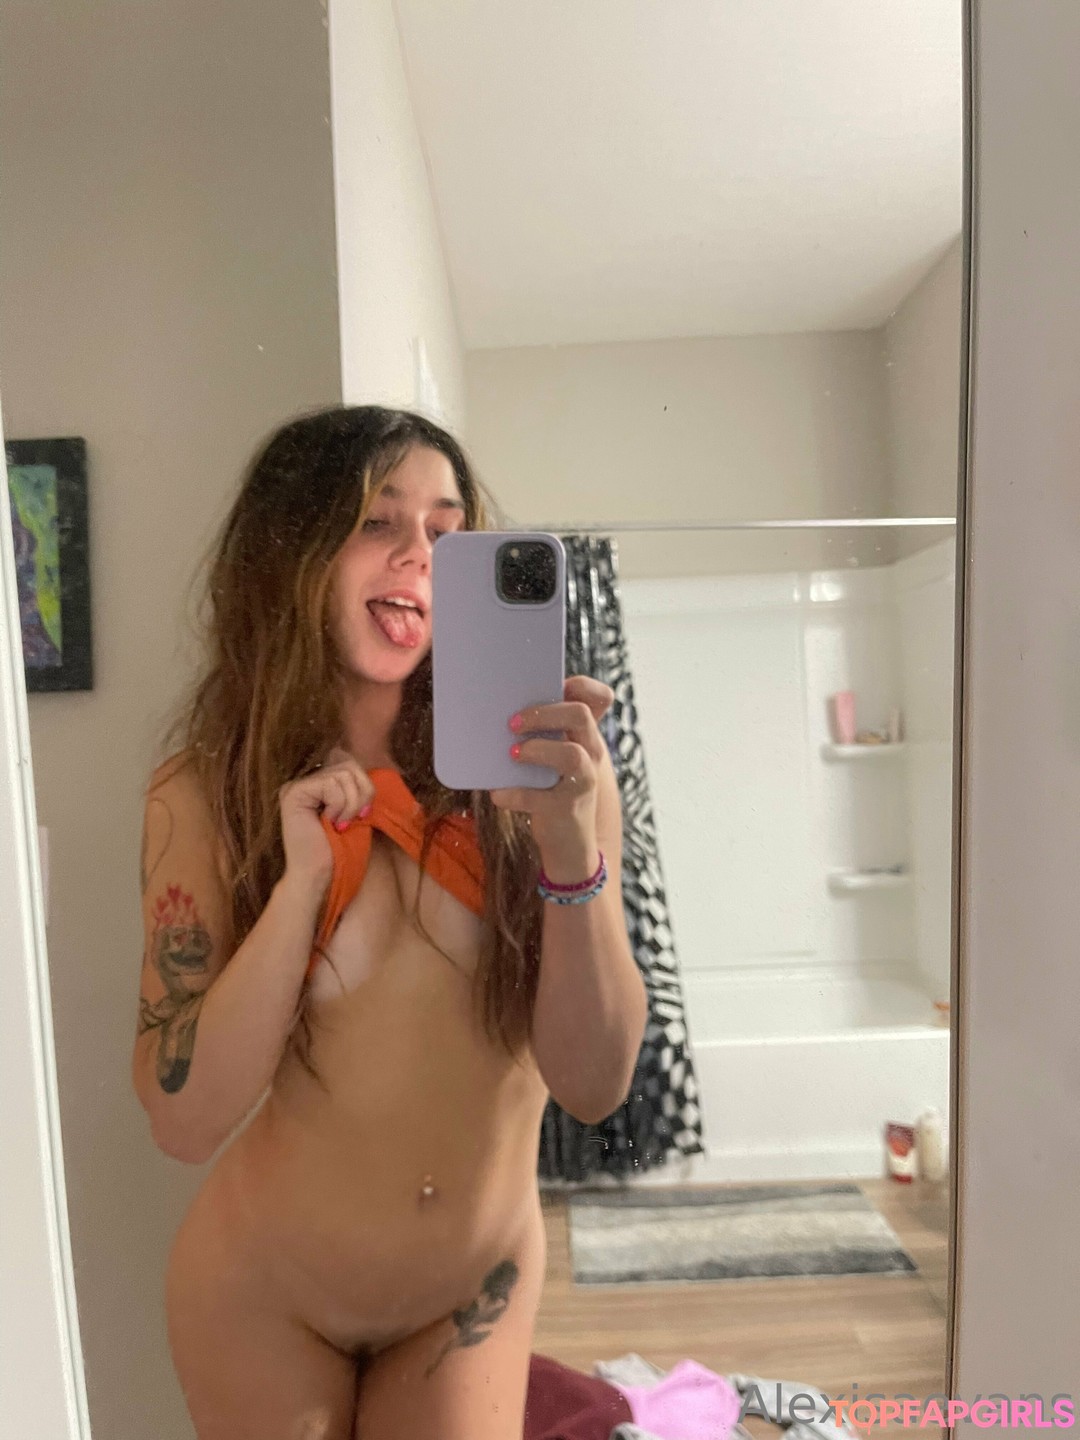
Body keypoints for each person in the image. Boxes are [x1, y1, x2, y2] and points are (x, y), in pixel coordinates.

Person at [132, 406, 647, 1440]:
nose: (420, 553)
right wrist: (299, 889)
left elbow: (595, 1084)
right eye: (378, 520)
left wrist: (567, 851)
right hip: (261, 1296)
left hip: (471, 1290)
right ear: (291, 553)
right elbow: (183, 1122)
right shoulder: (206, 793)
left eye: (448, 531)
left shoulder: (553, 784)